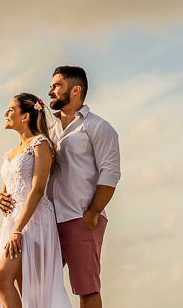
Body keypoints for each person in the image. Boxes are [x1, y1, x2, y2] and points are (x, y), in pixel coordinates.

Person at [47, 66, 120, 308]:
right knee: (38, 283)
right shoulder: (47, 128)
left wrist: (93, 212)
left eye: (56, 85)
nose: (50, 91)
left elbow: (110, 172)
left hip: (80, 218)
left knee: (86, 290)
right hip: (47, 221)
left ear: (75, 90)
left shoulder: (98, 127)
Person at [0, 92, 72, 308]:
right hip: (11, 223)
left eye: (10, 109)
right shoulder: (11, 153)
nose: (5, 113)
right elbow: (6, 191)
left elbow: (37, 190)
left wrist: (18, 229)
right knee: (23, 287)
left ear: (25, 116)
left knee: (1, 277)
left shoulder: (40, 144)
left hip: (32, 222)